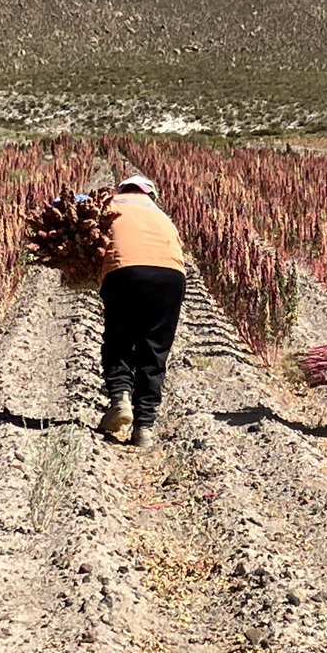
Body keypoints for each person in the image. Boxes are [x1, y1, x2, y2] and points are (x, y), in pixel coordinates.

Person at [95, 176, 187, 451]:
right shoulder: (161, 215)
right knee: (154, 349)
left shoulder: (108, 203)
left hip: (124, 271)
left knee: (119, 339)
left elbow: (70, 211)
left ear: (122, 189)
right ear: (151, 194)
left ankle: (121, 398)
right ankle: (144, 428)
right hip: (171, 275)